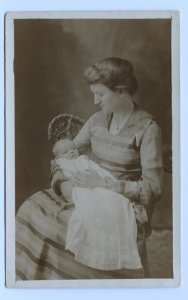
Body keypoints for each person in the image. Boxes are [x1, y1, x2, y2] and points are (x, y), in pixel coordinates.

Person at [16, 57, 163, 280]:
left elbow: (153, 189)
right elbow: (64, 157)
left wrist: (106, 184)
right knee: (31, 210)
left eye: (101, 94)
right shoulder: (97, 121)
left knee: (60, 226)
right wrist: (65, 185)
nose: (95, 101)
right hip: (86, 192)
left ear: (121, 91)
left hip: (123, 206)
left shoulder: (147, 129)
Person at [52, 138, 143, 270]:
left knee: (116, 201)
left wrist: (105, 179)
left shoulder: (84, 160)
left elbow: (98, 170)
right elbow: (62, 177)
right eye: (66, 152)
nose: (72, 152)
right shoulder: (61, 164)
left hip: (99, 185)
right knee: (92, 207)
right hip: (79, 188)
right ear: (59, 157)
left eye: (73, 149)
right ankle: (96, 253)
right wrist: (67, 183)